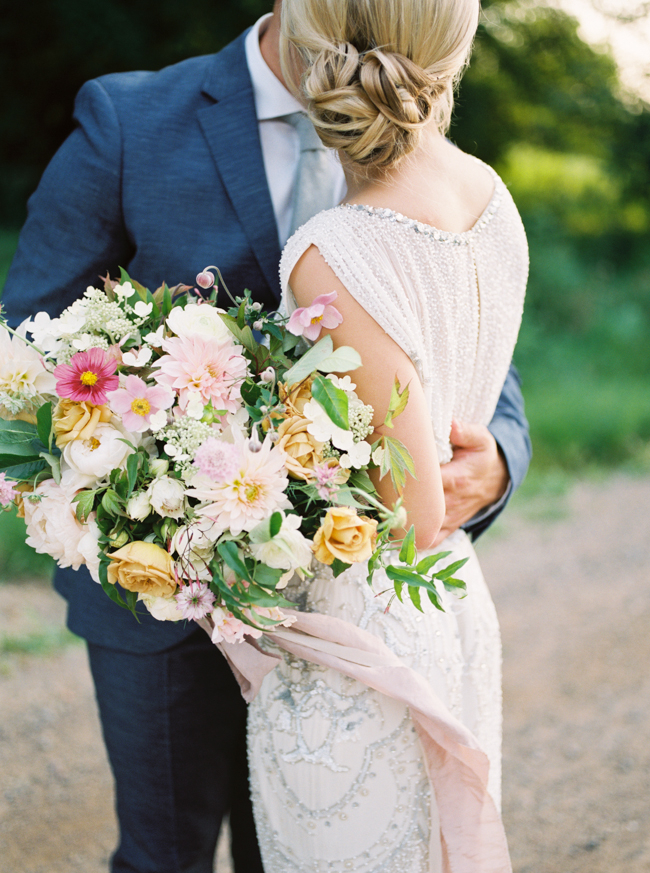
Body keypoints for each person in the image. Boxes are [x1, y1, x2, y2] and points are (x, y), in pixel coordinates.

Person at [1, 1, 530, 870]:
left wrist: (501, 454)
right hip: (161, 599)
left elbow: (456, 331)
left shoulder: (416, 132)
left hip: (352, 610)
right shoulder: (131, 120)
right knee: (163, 855)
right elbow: (26, 343)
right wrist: (143, 482)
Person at [244, 0, 527, 870]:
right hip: (453, 600)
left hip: (367, 648)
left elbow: (403, 513)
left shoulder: (335, 247)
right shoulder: (488, 192)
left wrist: (227, 488)